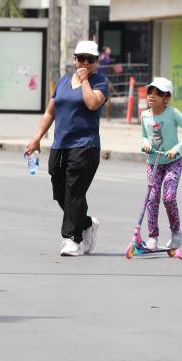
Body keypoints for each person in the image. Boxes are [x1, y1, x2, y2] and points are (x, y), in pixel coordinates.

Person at [25, 40, 109, 257]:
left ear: (96, 62)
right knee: (60, 191)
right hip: (59, 144)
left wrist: (84, 81)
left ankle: (72, 238)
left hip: (85, 146)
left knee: (75, 190)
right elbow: (50, 112)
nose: (85, 63)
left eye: (90, 60)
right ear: (74, 59)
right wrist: (36, 139)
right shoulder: (63, 82)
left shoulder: (100, 82)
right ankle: (87, 223)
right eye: (81, 58)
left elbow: (92, 103)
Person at [139, 77, 182, 250]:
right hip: (153, 163)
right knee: (152, 198)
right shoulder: (145, 115)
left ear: (167, 98)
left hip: (173, 162)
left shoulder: (173, 113)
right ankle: (152, 237)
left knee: (169, 197)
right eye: (150, 92)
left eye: (157, 93)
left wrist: (177, 149)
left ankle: (176, 232)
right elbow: (143, 136)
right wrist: (145, 144)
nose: (152, 96)